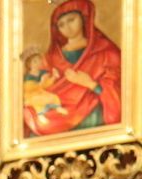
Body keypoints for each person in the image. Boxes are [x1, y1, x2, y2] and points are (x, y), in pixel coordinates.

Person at [27, 0, 122, 137]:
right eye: (61, 25)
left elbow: (118, 96)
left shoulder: (106, 53)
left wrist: (90, 84)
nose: (67, 27)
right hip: (57, 112)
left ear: (83, 19)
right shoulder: (51, 58)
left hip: (93, 112)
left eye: (71, 20)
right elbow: (39, 88)